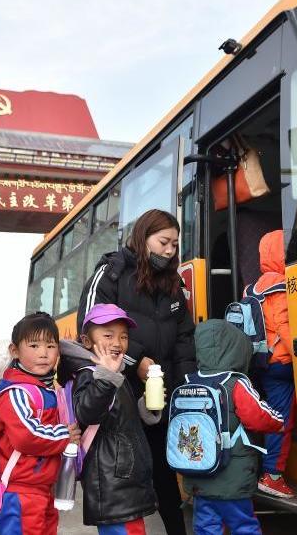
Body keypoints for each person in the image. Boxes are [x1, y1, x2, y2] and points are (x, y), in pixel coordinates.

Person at [77, 209, 195, 534]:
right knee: (125, 472)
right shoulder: (112, 273)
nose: (169, 250)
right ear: (143, 238)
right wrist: (136, 360)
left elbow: (184, 338)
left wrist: (184, 385)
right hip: (120, 394)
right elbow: (90, 327)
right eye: (163, 242)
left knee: (165, 473)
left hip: (159, 393)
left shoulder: (173, 285)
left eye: (175, 244)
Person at [57, 303, 159, 534]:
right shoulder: (89, 373)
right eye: (108, 335)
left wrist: (146, 406)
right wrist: (106, 379)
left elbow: (119, 419)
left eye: (124, 336)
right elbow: (86, 412)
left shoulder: (114, 371)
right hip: (113, 480)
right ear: (87, 341)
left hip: (122, 478)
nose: (117, 342)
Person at [184, 319, 283, 535]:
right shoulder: (236, 382)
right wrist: (279, 422)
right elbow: (258, 417)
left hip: (199, 475)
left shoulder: (189, 382)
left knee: (206, 527)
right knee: (243, 526)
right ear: (237, 350)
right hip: (232, 476)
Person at [0, 312, 81, 535]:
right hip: (21, 490)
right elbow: (26, 436)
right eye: (34, 345)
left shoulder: (49, 391)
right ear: (14, 351)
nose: (43, 353)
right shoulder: (16, 392)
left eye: (50, 346)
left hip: (43, 488)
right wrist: (64, 435)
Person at [251, 230, 297, 498]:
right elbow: (283, 324)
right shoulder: (281, 285)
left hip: (262, 363)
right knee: (282, 419)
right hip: (283, 362)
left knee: (272, 414)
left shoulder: (253, 288)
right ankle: (272, 476)